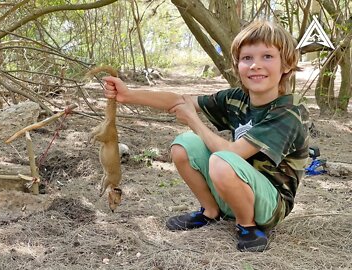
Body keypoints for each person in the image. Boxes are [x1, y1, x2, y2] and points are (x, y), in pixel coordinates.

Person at [101, 20, 309, 252]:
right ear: (238, 64)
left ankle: (248, 226)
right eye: (247, 58)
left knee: (221, 160)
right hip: (232, 188)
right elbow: (182, 101)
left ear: (287, 65)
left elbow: (230, 153)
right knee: (184, 145)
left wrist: (193, 120)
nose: (255, 65)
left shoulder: (289, 112)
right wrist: (128, 95)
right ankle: (211, 211)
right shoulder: (236, 98)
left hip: (270, 205)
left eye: (267, 57)